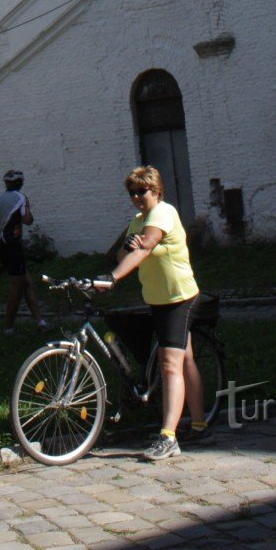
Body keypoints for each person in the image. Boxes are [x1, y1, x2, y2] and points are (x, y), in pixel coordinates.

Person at [92, 164, 207, 461]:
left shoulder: (163, 213)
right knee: (185, 359)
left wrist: (113, 278)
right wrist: (125, 250)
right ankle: (199, 423)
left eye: (141, 191)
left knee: (170, 365)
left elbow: (145, 249)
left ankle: (168, 437)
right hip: (158, 298)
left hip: (179, 297)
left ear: (156, 191)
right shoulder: (138, 220)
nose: (136, 197)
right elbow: (124, 252)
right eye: (131, 193)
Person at [0, 169, 48, 334]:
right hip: (13, 246)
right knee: (17, 287)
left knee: (27, 283)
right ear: (20, 183)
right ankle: (8, 327)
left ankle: (40, 322)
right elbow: (27, 220)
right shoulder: (21, 198)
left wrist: (2, 221)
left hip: (0, 247)